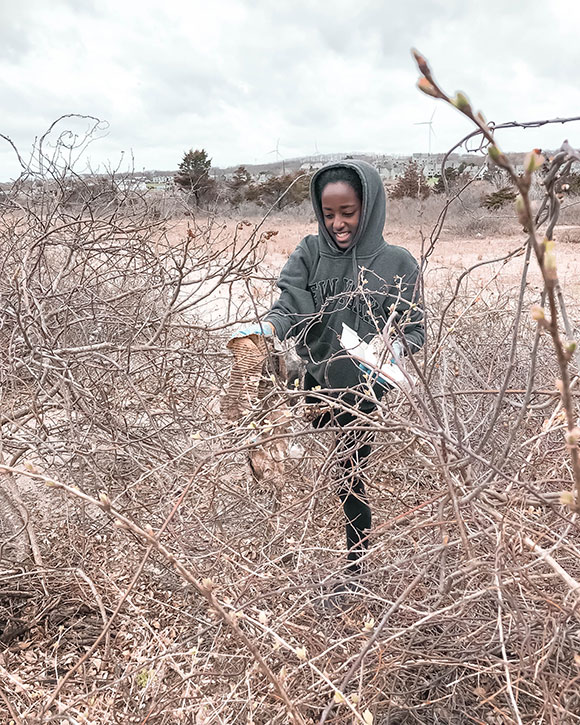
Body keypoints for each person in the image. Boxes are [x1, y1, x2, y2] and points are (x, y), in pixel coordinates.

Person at [233, 160, 424, 587]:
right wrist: (266, 329)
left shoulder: (398, 264)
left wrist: (389, 349)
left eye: (348, 212)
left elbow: (415, 329)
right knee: (266, 426)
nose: (337, 222)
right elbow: (288, 306)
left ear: (368, 208)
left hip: (364, 390)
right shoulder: (309, 253)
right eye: (328, 213)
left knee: (349, 478)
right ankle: (275, 474)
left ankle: (355, 571)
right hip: (312, 378)